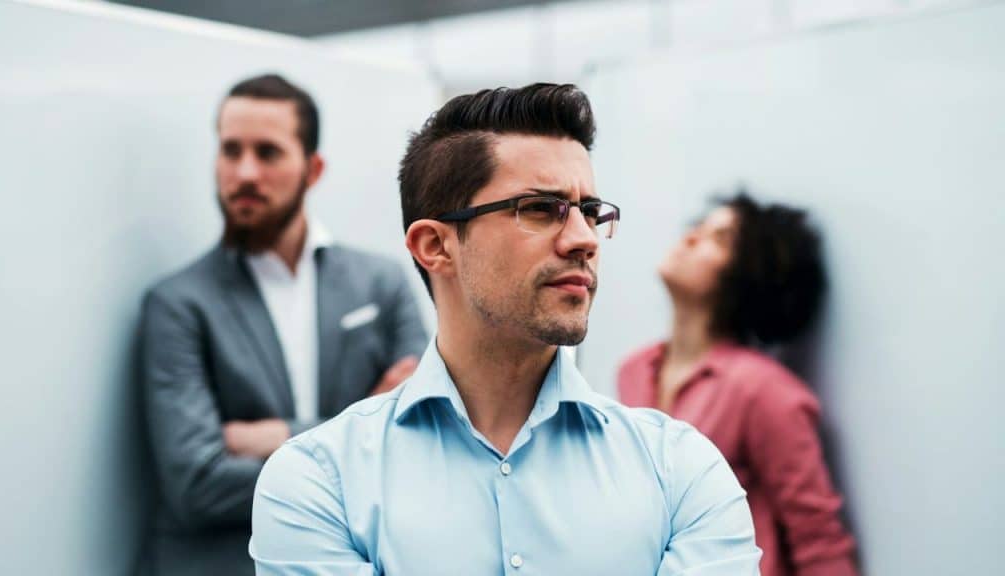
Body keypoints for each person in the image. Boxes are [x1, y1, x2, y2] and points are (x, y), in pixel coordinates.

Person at [249, 83, 761, 575]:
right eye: (539, 209)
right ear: (435, 246)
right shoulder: (321, 480)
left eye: (589, 212)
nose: (584, 239)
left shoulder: (680, 469)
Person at [138, 74, 428, 576]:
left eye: (267, 152)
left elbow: (418, 440)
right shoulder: (177, 303)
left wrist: (275, 435)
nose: (245, 172)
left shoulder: (381, 284)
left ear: (313, 170)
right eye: (231, 150)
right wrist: (360, 430)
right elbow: (196, 487)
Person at [617, 192, 858, 576]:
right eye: (699, 227)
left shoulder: (764, 390)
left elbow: (818, 540)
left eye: (720, 238)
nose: (690, 238)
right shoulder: (634, 370)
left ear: (749, 273)